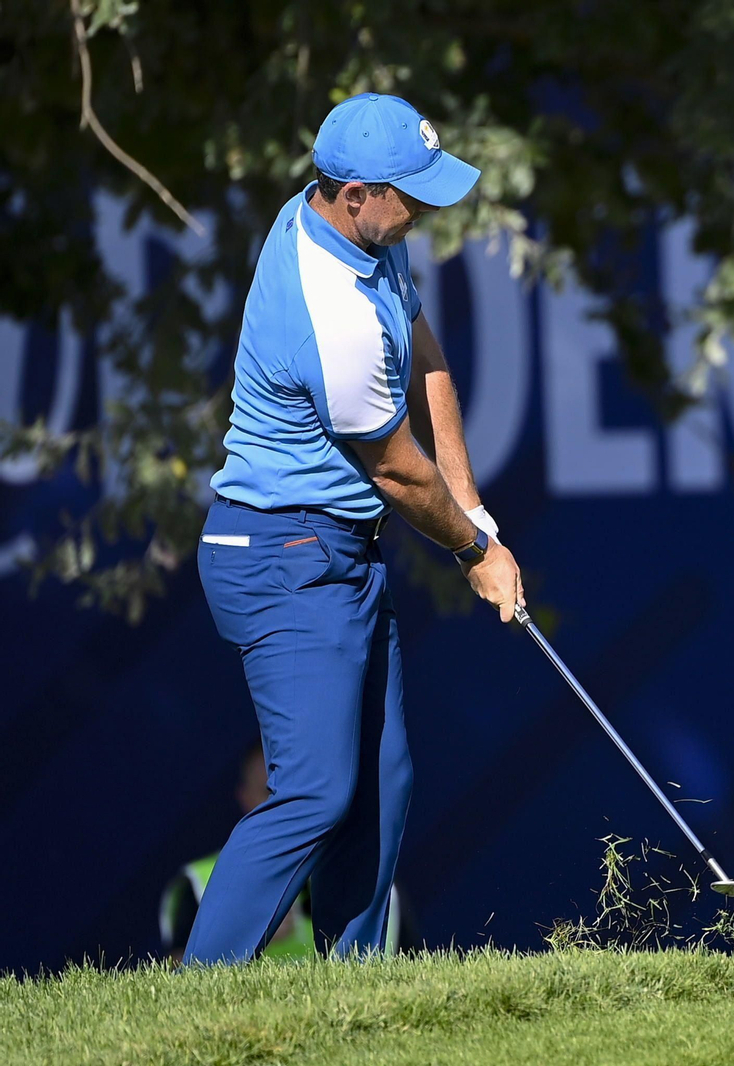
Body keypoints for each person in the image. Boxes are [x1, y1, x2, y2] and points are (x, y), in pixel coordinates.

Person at [184, 93, 523, 965]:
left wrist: (474, 506)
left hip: (332, 552)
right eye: (411, 194)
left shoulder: (363, 236)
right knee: (315, 794)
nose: (428, 209)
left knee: (384, 781)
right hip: (280, 553)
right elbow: (397, 470)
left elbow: (427, 354)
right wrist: (475, 550)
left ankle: (354, 985)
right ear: (354, 191)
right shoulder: (327, 309)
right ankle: (191, 995)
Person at [159, 744, 418, 961]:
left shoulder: (370, 878)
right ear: (245, 798)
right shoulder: (202, 882)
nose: (282, 806)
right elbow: (177, 980)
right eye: (269, 792)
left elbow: (416, 981)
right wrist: (241, 938)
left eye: (293, 792)